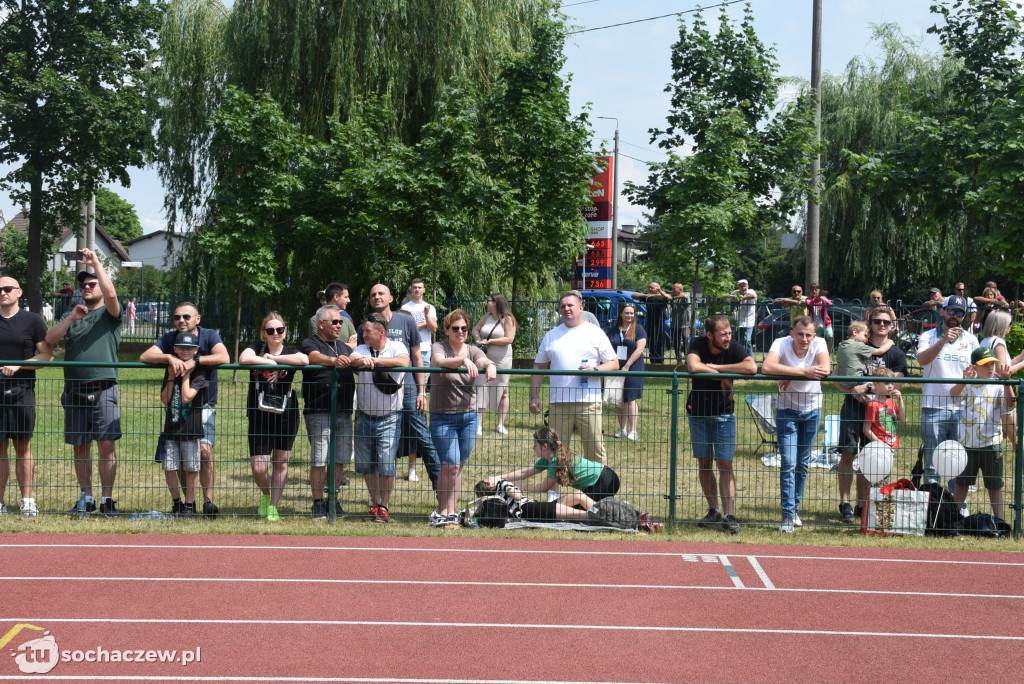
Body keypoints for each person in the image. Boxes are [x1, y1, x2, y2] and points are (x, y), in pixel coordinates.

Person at [45, 251, 122, 517]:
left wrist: (96, 264)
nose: (87, 288)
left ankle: (107, 499)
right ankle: (86, 498)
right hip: (74, 388)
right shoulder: (74, 314)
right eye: (83, 285)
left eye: (92, 284)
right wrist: (70, 319)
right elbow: (50, 338)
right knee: (80, 445)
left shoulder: (110, 314)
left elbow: (111, 296)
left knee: (106, 444)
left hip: (103, 387)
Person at [140, 301, 230, 517]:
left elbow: (224, 357)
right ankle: (185, 503)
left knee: (204, 451)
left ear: (197, 319)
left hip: (204, 402)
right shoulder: (170, 339)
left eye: (186, 317)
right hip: (176, 404)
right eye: (177, 317)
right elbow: (145, 356)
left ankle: (208, 500)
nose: (181, 320)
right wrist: (169, 357)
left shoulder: (209, 335)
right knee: (178, 455)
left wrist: (195, 362)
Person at [833, 305, 907, 522]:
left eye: (886, 322)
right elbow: (837, 376)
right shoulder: (856, 345)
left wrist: (865, 388)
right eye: (877, 321)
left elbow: (897, 385)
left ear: (892, 326)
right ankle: (845, 503)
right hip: (853, 406)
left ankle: (862, 504)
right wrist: (851, 391)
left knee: (870, 459)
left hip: (880, 412)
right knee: (848, 453)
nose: (881, 325)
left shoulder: (896, 353)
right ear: (870, 324)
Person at [360, 283, 438, 486]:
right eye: (373, 294)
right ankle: (379, 501)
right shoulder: (365, 326)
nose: (377, 297)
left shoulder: (406, 321)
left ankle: (442, 489)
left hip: (410, 391)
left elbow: (417, 357)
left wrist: (422, 392)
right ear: (370, 300)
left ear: (391, 298)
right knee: (382, 447)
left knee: (423, 439)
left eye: (381, 294)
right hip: (380, 394)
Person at [685, 314, 757, 535]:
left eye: (730, 333)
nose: (728, 337)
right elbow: (693, 367)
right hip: (698, 413)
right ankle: (713, 510)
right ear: (709, 334)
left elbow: (752, 368)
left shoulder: (733, 346)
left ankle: (729, 515)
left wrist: (717, 367)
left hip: (724, 415)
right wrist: (723, 378)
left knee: (725, 464)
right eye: (723, 334)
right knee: (704, 462)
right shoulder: (697, 343)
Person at [530, 290, 618, 466]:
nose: (566, 309)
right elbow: (539, 366)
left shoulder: (595, 332)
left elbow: (614, 363)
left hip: (589, 403)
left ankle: (600, 492)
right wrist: (534, 396)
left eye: (570, 305)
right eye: (563, 306)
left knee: (595, 451)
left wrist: (595, 370)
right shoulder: (551, 335)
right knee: (556, 453)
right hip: (558, 403)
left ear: (580, 308)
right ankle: (553, 492)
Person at [761, 316, 830, 533]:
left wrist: (787, 374)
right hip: (786, 410)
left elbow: (824, 369)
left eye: (808, 335)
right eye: (800, 334)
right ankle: (787, 515)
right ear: (792, 333)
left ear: (814, 336)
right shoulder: (780, 343)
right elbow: (766, 367)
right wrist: (802, 372)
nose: (804, 339)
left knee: (803, 463)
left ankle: (795, 508)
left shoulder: (819, 343)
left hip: (812, 410)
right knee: (788, 462)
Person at [428, 310, 496, 525]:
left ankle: (452, 510)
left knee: (459, 465)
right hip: (442, 417)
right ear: (447, 330)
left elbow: (484, 360)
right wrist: (462, 360)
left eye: (464, 328)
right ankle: (444, 510)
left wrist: (490, 365)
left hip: (468, 416)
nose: (460, 332)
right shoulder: (439, 347)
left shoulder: (473, 350)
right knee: (449, 465)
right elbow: (438, 361)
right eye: (455, 328)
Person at [239, 313, 308, 521]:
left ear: (285, 331)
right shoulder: (255, 348)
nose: (275, 334)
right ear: (264, 333)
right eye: (270, 330)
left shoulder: (290, 351)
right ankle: (266, 495)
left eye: (280, 330)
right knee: (259, 467)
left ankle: (273, 507)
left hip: (286, 413)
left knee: (281, 460)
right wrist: (265, 360)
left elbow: (303, 360)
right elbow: (243, 359)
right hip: (259, 414)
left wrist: (274, 360)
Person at [349, 312, 410, 523]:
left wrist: (375, 360)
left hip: (390, 417)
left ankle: (385, 505)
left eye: (368, 331)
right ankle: (375, 503)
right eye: (363, 330)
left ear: (381, 332)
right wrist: (360, 359)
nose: (363, 334)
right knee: (366, 464)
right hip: (364, 415)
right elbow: (352, 359)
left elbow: (404, 361)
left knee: (386, 463)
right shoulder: (362, 347)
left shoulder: (397, 347)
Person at [0, 277, 53, 517]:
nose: (3, 292)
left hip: (23, 392)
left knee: (23, 446)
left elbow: (46, 356)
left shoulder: (33, 320)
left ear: (19, 292)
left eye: (7, 288)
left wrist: (19, 365)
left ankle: (27, 500)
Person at [300, 305, 355, 519]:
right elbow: (312, 357)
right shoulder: (311, 342)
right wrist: (333, 361)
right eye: (335, 322)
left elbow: (355, 360)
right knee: (319, 459)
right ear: (321, 323)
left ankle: (333, 498)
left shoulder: (343, 346)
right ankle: (317, 503)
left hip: (343, 410)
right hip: (319, 410)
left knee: (339, 459)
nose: (339, 325)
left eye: (340, 322)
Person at [917, 294, 978, 486]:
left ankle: (956, 510)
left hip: (962, 409)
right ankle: (933, 508)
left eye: (960, 313)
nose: (955, 316)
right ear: (942, 311)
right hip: (933, 408)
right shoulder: (928, 336)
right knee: (933, 465)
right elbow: (921, 360)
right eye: (951, 311)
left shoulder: (971, 340)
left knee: (957, 464)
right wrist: (943, 341)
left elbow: (978, 371)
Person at [950, 347, 1013, 520]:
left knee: (994, 486)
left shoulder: (999, 385)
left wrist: (1007, 383)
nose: (991, 367)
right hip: (967, 444)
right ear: (975, 367)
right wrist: (963, 381)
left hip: (991, 443)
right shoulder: (968, 384)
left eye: (992, 363)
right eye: (985, 364)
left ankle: (999, 522)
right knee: (961, 484)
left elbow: (1009, 405)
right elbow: (953, 395)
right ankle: (953, 522)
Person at [485, 426, 621, 502]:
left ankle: (621, 509)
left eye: (535, 445)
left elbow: (544, 488)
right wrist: (499, 478)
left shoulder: (555, 462)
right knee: (571, 507)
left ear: (544, 446)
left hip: (606, 480)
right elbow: (524, 472)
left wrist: (524, 486)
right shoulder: (547, 459)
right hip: (600, 480)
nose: (533, 448)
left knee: (570, 509)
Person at [158, 331, 211, 518]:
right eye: (181, 348)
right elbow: (165, 399)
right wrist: (172, 377)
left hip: (191, 429)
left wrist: (186, 373)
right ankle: (177, 503)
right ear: (175, 350)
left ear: (196, 350)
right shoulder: (170, 368)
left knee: (191, 468)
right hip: (171, 428)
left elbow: (188, 397)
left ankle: (189, 505)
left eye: (189, 348)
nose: (185, 351)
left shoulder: (201, 371)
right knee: (169, 467)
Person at [979, 309, 1024, 454]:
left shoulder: (986, 341)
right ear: (1002, 326)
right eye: (1009, 324)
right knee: (1018, 440)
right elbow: (1004, 372)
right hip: (1000, 394)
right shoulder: (999, 342)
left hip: (988, 393)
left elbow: (1006, 365)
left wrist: (1021, 356)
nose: (1010, 327)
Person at [472, 293, 516, 436]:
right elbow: (475, 329)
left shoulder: (507, 318)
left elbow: (509, 339)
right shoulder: (487, 316)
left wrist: (489, 342)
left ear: (496, 302)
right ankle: (478, 425)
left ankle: (500, 424)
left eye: (489, 300)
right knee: (481, 388)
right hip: (484, 357)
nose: (487, 302)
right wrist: (479, 339)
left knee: (503, 390)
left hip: (502, 358)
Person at [473, 477, 595, 524]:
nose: (489, 476)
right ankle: (596, 516)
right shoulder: (501, 484)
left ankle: (600, 510)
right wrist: (510, 486)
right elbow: (518, 496)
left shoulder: (492, 501)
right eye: (487, 479)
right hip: (526, 509)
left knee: (578, 495)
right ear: (491, 485)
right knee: (569, 510)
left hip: (533, 506)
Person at [606, 304, 646, 440]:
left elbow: (639, 349)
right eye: (627, 313)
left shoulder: (639, 330)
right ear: (621, 314)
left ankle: (633, 431)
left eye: (632, 313)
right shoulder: (613, 331)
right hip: (616, 367)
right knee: (618, 399)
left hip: (633, 367)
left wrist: (627, 366)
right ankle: (622, 429)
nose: (629, 315)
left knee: (630, 399)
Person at [833, 321, 894, 389]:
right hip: (857, 379)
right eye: (865, 336)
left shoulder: (842, 345)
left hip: (844, 381)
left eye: (868, 338)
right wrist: (890, 342)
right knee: (878, 386)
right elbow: (880, 351)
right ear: (855, 332)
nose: (866, 340)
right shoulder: (858, 345)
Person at [862, 368, 905, 449]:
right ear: (875, 384)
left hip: (892, 443)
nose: (890, 386)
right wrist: (880, 445)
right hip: (880, 447)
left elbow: (903, 420)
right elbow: (866, 429)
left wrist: (900, 400)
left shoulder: (891, 402)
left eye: (892, 383)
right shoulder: (873, 405)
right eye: (886, 383)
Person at [400, 278, 438, 367]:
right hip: (409, 349)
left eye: (420, 288)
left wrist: (426, 315)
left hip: (425, 350)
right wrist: (426, 323)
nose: (417, 290)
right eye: (415, 287)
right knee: (410, 379)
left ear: (424, 290)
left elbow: (433, 329)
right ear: (411, 290)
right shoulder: (405, 308)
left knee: (423, 379)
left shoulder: (430, 308)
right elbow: (408, 330)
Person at [631, 282, 671, 362]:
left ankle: (659, 360)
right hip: (650, 320)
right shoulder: (647, 296)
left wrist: (654, 295)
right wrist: (646, 295)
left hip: (659, 321)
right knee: (651, 340)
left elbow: (667, 297)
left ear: (657, 289)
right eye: (649, 287)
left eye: (652, 288)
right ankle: (652, 359)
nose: (650, 289)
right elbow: (633, 295)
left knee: (659, 341)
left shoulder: (661, 296)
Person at [309, 282, 357, 347]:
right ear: (336, 297)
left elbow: (357, 346)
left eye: (340, 322)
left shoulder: (347, 320)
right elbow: (321, 347)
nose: (349, 300)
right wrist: (348, 346)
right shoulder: (316, 320)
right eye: (346, 297)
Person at [725, 279, 757, 355]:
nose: (743, 288)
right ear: (738, 287)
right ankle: (741, 357)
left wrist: (740, 298)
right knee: (740, 341)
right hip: (739, 321)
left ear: (748, 286)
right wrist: (734, 298)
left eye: (744, 286)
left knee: (747, 339)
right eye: (741, 286)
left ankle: (749, 358)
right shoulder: (736, 292)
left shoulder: (751, 291)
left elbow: (753, 296)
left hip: (749, 320)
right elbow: (725, 296)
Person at [805, 283, 834, 354]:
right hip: (814, 323)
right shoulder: (808, 299)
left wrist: (823, 298)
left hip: (825, 322)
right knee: (816, 340)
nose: (814, 291)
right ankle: (818, 354)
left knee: (830, 337)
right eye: (812, 289)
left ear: (819, 290)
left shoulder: (823, 297)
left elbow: (830, 305)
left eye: (816, 289)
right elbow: (810, 303)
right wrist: (818, 297)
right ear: (810, 291)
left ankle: (829, 355)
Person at [669, 283, 691, 358]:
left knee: (686, 340)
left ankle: (687, 358)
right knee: (676, 342)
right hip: (674, 323)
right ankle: (679, 359)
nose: (672, 290)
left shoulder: (686, 293)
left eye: (674, 288)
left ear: (680, 289)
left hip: (685, 324)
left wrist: (673, 298)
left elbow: (685, 296)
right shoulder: (672, 296)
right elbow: (665, 297)